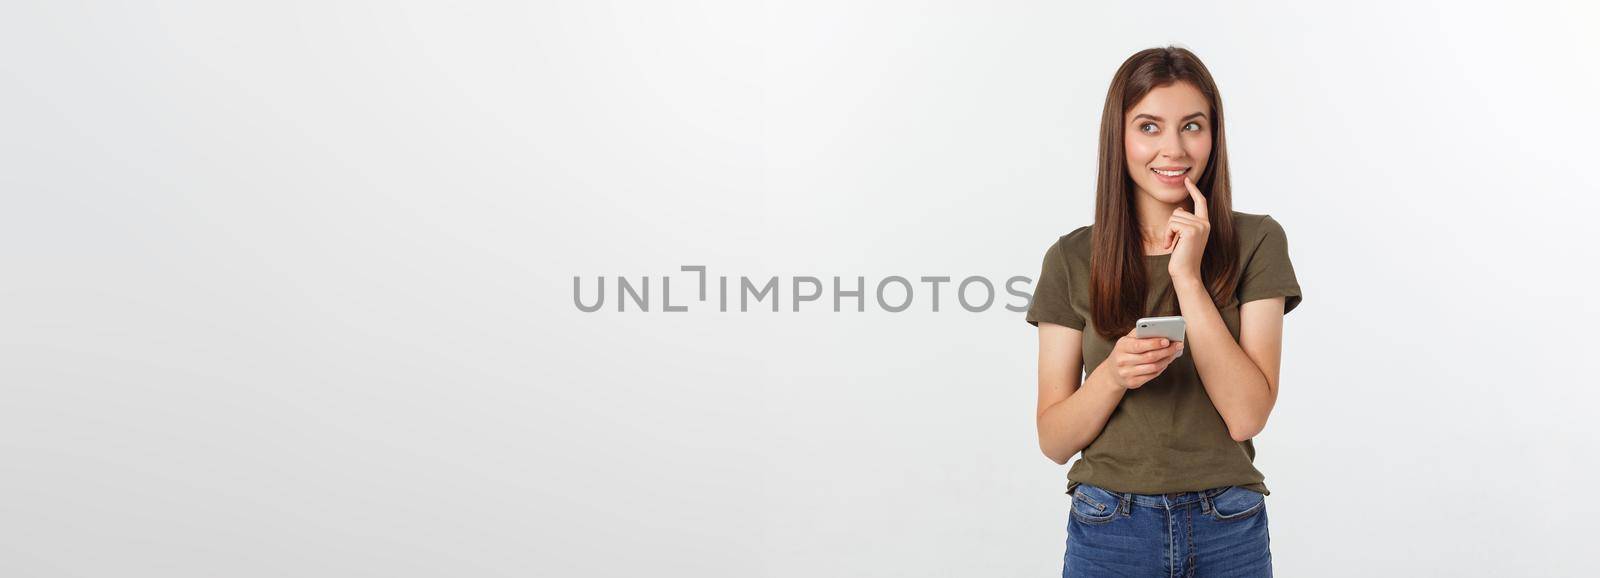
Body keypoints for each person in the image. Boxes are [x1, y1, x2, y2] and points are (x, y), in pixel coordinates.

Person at [1027, 46, 1303, 577]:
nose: (1173, 149)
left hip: (1228, 521)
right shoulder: (1070, 258)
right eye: (1149, 127)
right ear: (1120, 137)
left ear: (1213, 135)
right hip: (1110, 525)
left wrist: (1188, 278)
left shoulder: (1257, 240)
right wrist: (1112, 376)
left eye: (1192, 126)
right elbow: (1054, 440)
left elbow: (1247, 415)